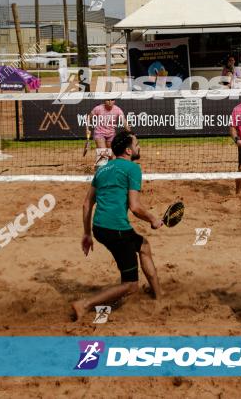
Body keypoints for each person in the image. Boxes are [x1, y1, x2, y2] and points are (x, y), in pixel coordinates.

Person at [72, 131, 163, 321]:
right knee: (131, 284)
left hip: (99, 228)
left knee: (143, 246)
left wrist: (87, 234)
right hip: (116, 228)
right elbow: (136, 207)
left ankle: (159, 297)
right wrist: (153, 219)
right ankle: (85, 305)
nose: (139, 147)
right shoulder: (132, 168)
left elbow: (86, 203)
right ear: (129, 150)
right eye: (137, 144)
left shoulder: (103, 169)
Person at [87, 99, 130, 167]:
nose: (110, 102)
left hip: (111, 135)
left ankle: (108, 171)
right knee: (103, 153)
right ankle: (99, 171)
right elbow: (88, 117)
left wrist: (128, 130)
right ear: (104, 100)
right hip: (99, 133)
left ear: (114, 101)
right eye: (108, 100)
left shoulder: (117, 109)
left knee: (112, 156)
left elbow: (123, 120)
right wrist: (87, 129)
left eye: (112, 100)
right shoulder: (98, 108)